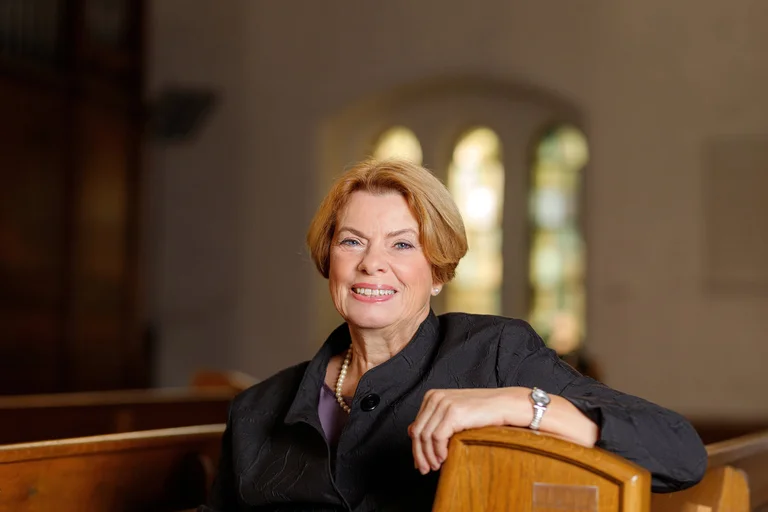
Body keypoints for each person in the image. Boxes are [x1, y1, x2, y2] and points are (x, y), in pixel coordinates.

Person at [201, 159, 706, 512]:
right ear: (328, 261)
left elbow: (679, 453)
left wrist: (516, 405)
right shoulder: (256, 411)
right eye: (351, 241)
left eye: (402, 245)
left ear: (438, 271)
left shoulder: (495, 355)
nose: (372, 263)